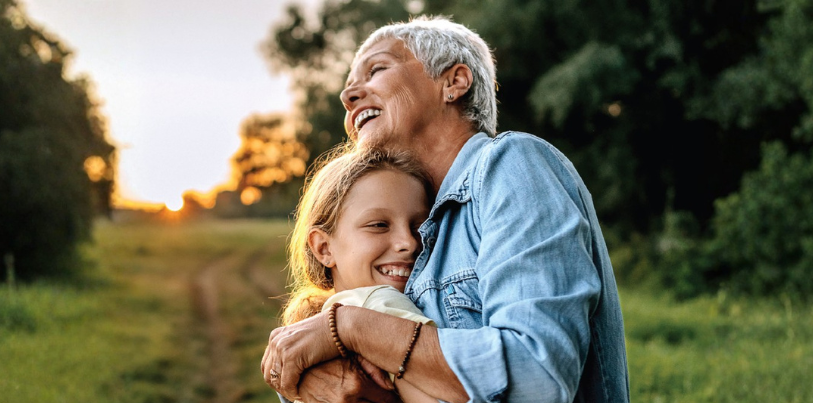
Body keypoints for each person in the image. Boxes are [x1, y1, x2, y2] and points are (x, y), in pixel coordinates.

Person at [262, 16, 630, 403]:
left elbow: (537, 378)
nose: (348, 95)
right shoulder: (419, 233)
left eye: (378, 69)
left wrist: (351, 327)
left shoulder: (510, 163)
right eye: (350, 85)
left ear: (453, 82)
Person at [273, 145, 439, 403]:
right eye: (379, 225)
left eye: (419, 226)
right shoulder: (381, 302)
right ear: (324, 248)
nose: (409, 242)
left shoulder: (311, 331)